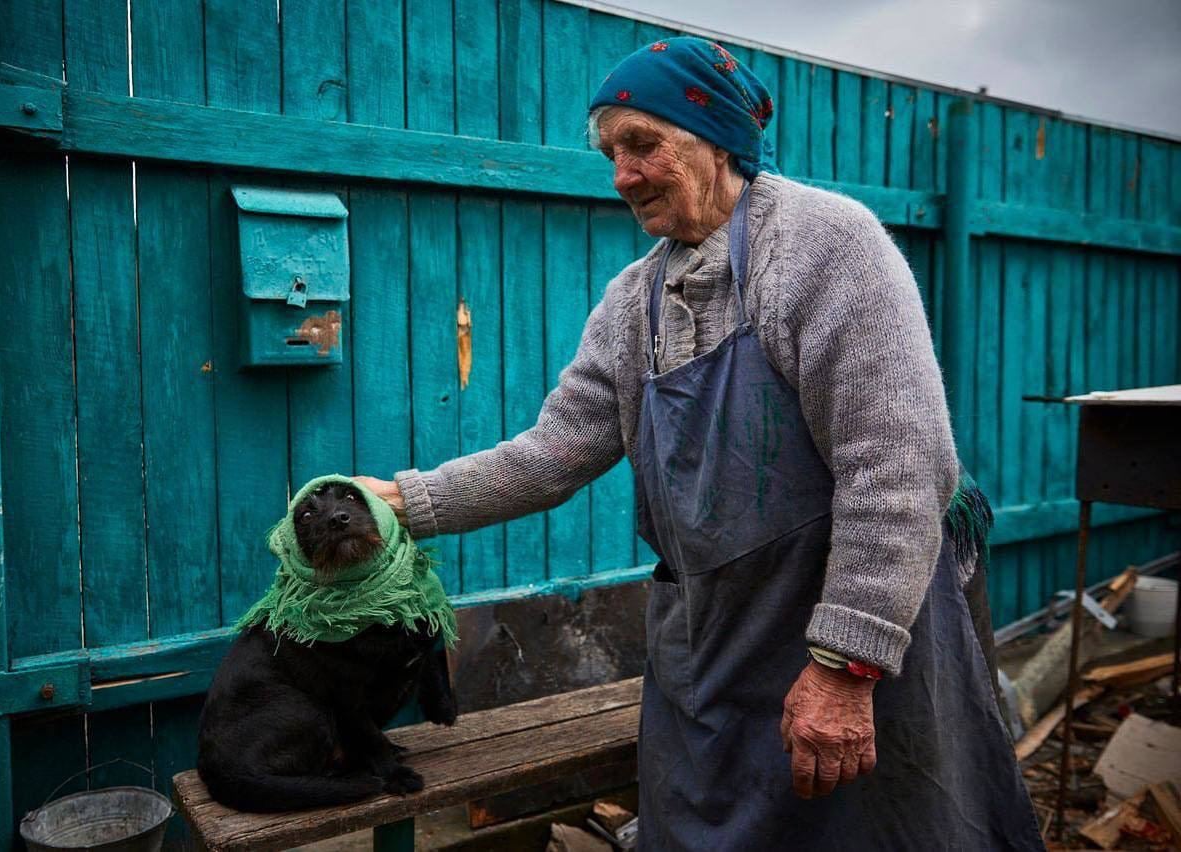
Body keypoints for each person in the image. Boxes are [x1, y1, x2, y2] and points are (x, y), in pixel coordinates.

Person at [359, 37, 1043, 850]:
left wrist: (843, 666)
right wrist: (401, 504)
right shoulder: (630, 302)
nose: (621, 174)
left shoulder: (828, 247)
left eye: (643, 145)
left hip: (847, 625)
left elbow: (894, 470)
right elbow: (551, 453)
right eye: (611, 152)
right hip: (715, 643)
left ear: (718, 141)